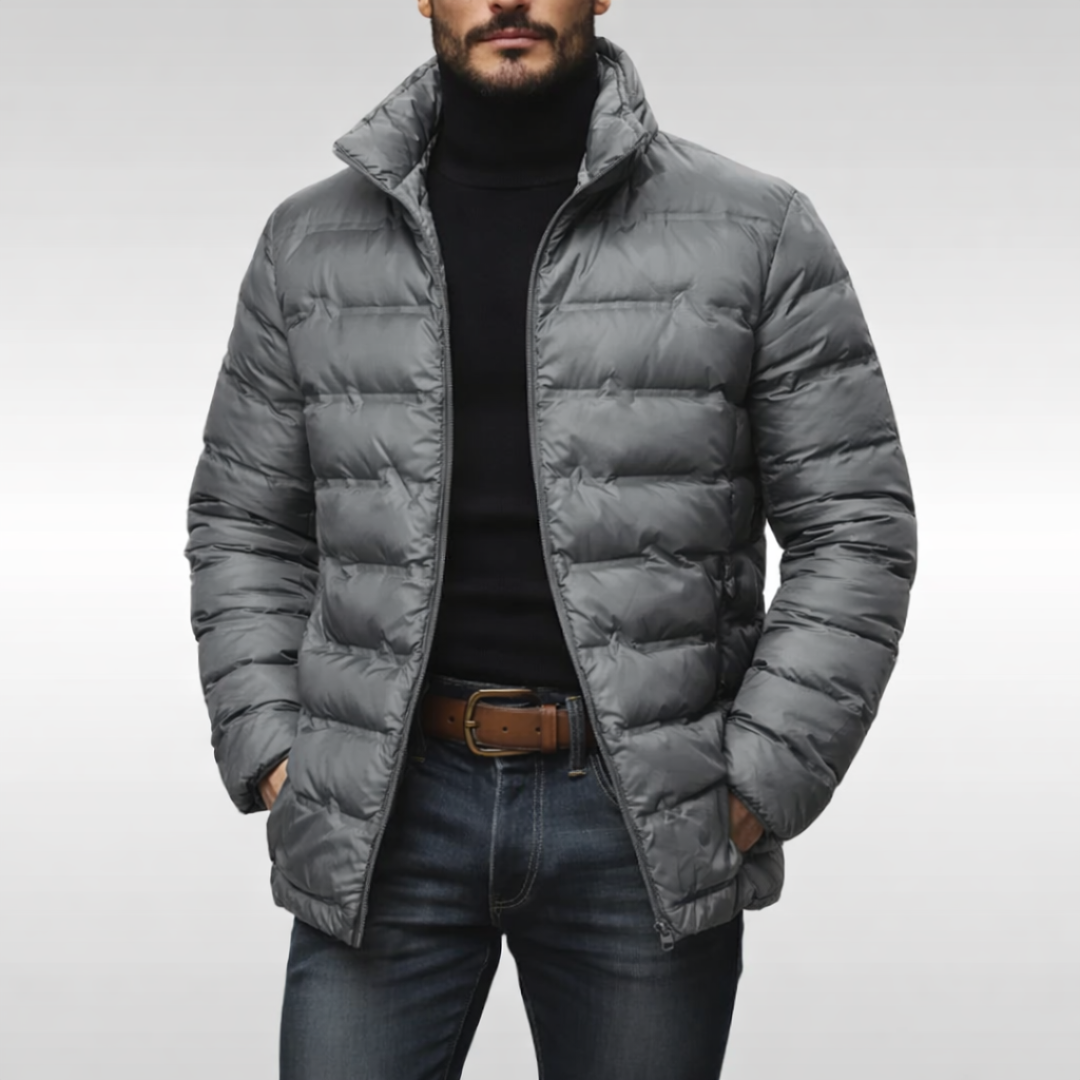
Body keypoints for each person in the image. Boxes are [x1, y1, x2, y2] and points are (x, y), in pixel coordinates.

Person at [184, 1, 918, 1076]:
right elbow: (244, 522)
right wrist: (277, 754)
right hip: (383, 812)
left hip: (643, 820)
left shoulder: (756, 230)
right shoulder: (309, 244)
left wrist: (754, 784)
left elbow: (856, 528)